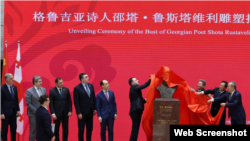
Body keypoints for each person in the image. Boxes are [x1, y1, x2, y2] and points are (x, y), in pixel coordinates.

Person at [74, 73, 97, 141]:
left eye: (88, 76)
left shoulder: (91, 86)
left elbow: (93, 98)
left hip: (90, 111)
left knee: (90, 129)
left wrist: (95, 108)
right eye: (86, 77)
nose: (88, 78)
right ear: (82, 79)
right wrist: (78, 112)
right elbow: (76, 102)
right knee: (81, 129)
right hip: (82, 112)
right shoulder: (77, 88)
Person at [128, 77, 151, 141]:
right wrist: (150, 79)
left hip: (135, 110)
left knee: (135, 128)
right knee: (135, 128)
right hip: (136, 110)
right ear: (132, 83)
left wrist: (146, 100)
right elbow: (145, 85)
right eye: (135, 80)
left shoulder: (133, 89)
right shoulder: (134, 87)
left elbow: (139, 100)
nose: (137, 80)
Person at [0, 73, 20, 141]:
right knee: (5, 130)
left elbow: (16, 99)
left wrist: (18, 109)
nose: (13, 80)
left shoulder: (15, 87)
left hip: (13, 112)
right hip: (5, 113)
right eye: (11, 79)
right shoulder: (2, 88)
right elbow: (0, 102)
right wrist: (1, 113)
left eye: (12, 78)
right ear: (6, 80)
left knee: (13, 129)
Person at [26, 76, 46, 141]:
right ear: (35, 82)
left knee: (42, 130)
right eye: (40, 81)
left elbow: (45, 101)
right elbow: (28, 103)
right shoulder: (29, 91)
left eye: (41, 81)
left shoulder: (43, 89)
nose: (41, 83)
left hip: (42, 114)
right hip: (33, 114)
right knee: (33, 130)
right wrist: (37, 111)